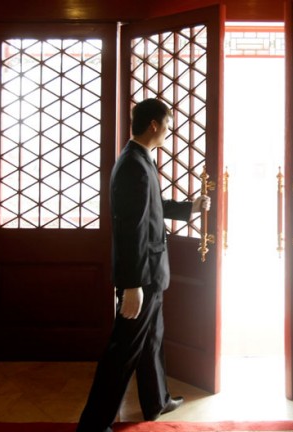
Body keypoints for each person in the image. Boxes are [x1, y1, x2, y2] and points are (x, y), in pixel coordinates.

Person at [77, 98, 211, 432]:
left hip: (153, 272)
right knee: (122, 351)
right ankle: (94, 424)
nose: (170, 129)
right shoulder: (132, 166)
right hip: (142, 277)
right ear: (154, 124)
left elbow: (153, 207)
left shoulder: (140, 159)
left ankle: (157, 400)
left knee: (153, 339)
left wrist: (189, 207)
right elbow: (131, 230)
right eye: (168, 122)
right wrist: (132, 285)